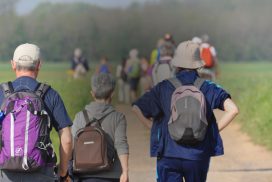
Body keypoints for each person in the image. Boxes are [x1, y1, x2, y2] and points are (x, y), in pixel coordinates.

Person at [132, 41, 239, 182]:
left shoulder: (163, 87)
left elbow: (137, 108)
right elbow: (233, 110)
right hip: (197, 155)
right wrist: (212, 130)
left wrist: (154, 128)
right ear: (198, 64)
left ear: (176, 64)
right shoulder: (208, 87)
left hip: (168, 154)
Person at [0, 43, 73, 182]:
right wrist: (63, 172)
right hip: (42, 172)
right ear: (39, 65)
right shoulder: (50, 94)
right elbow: (67, 139)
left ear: (13, 64)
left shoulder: (1, 94)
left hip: (6, 174)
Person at [71, 73, 129, 182]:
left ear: (92, 94)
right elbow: (121, 144)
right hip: (112, 175)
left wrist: (65, 170)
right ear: (112, 93)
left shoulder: (79, 116)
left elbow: (72, 146)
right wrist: (125, 172)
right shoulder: (118, 117)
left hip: (84, 174)